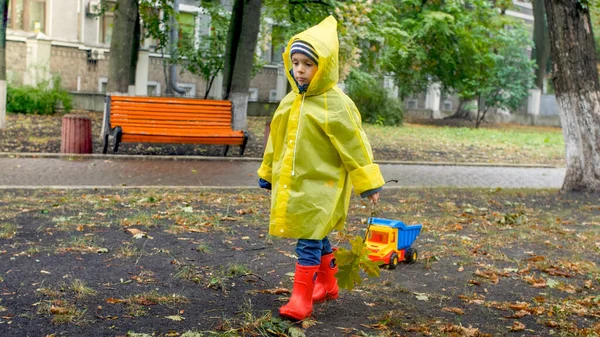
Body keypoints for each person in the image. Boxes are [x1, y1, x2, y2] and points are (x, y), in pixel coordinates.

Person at [257, 15, 385, 321]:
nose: (300, 70)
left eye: (308, 64)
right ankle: (327, 284)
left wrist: (367, 182)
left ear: (323, 67)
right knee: (317, 234)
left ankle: (301, 298)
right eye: (296, 62)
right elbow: (276, 142)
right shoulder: (291, 101)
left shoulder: (335, 105)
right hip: (296, 182)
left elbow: (355, 144)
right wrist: (266, 172)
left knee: (308, 237)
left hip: (323, 186)